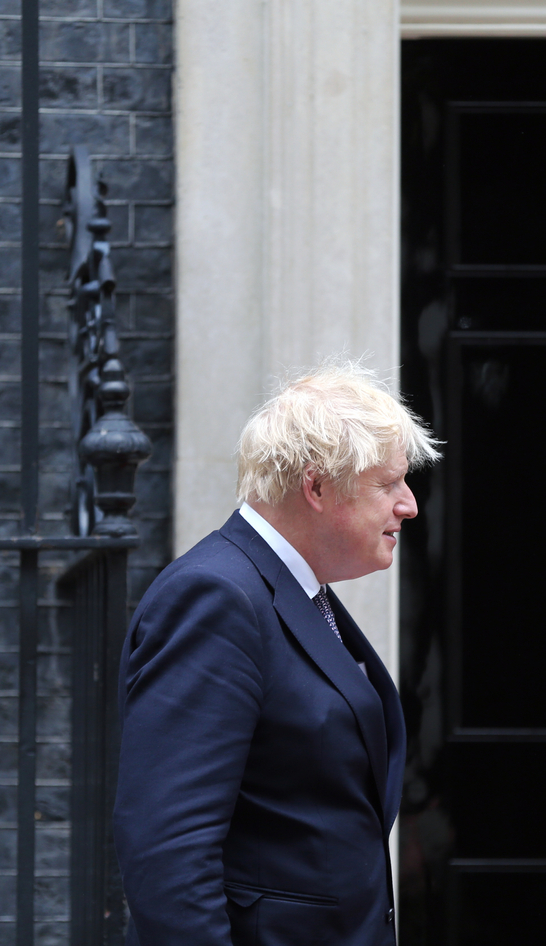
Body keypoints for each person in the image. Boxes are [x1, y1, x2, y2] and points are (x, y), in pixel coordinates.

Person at [113, 361, 441, 946]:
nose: (409, 504)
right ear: (316, 487)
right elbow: (168, 853)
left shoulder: (295, 591)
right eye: (389, 484)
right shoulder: (215, 597)